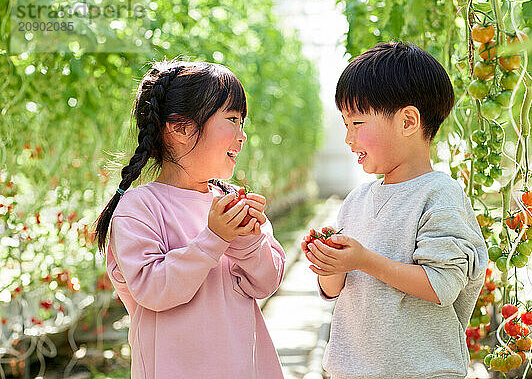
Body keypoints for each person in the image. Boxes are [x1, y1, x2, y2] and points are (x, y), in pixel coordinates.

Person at [301, 42, 488, 379]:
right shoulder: (357, 199)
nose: (348, 139)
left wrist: (363, 260)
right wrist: (328, 263)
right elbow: (334, 290)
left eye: (357, 124)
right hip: (351, 370)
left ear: (408, 121)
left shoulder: (439, 194)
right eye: (345, 125)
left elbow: (440, 285)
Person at [94, 60, 286, 379]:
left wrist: (248, 240)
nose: (243, 135)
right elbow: (153, 289)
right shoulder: (140, 207)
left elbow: (266, 283)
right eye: (233, 120)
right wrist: (214, 239)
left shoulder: (231, 202)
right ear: (182, 127)